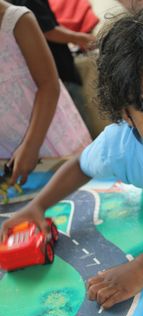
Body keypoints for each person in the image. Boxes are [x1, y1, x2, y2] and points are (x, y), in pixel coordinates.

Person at [1, 0, 143, 309]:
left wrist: (140, 269)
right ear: (126, 114)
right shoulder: (119, 143)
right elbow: (80, 166)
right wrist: (38, 205)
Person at [0, 1, 91, 185]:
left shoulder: (18, 20)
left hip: (50, 140)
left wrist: (31, 146)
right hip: (6, 151)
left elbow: (48, 85)